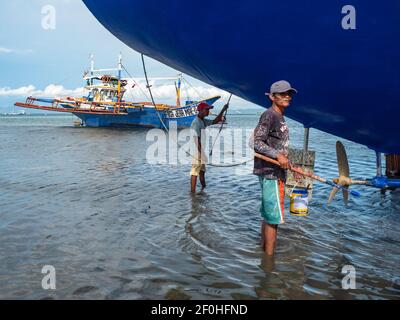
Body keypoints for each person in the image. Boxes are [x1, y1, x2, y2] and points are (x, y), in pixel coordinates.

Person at [253, 80, 297, 255]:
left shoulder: (279, 115)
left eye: (289, 94)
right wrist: (278, 156)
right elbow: (257, 142)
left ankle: (264, 253)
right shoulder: (269, 115)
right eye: (283, 94)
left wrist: (288, 163)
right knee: (273, 218)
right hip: (271, 173)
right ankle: (269, 264)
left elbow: (278, 146)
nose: (287, 96)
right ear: (272, 96)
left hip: (275, 171)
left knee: (268, 216)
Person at [190, 102, 228, 193]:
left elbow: (215, 121)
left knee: (202, 170)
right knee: (195, 171)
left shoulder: (203, 121)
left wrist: (223, 110)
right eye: (207, 110)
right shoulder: (196, 122)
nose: (208, 111)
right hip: (196, 150)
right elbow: (196, 139)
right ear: (201, 110)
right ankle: (192, 195)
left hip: (200, 149)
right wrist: (202, 154)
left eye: (209, 110)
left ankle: (203, 189)